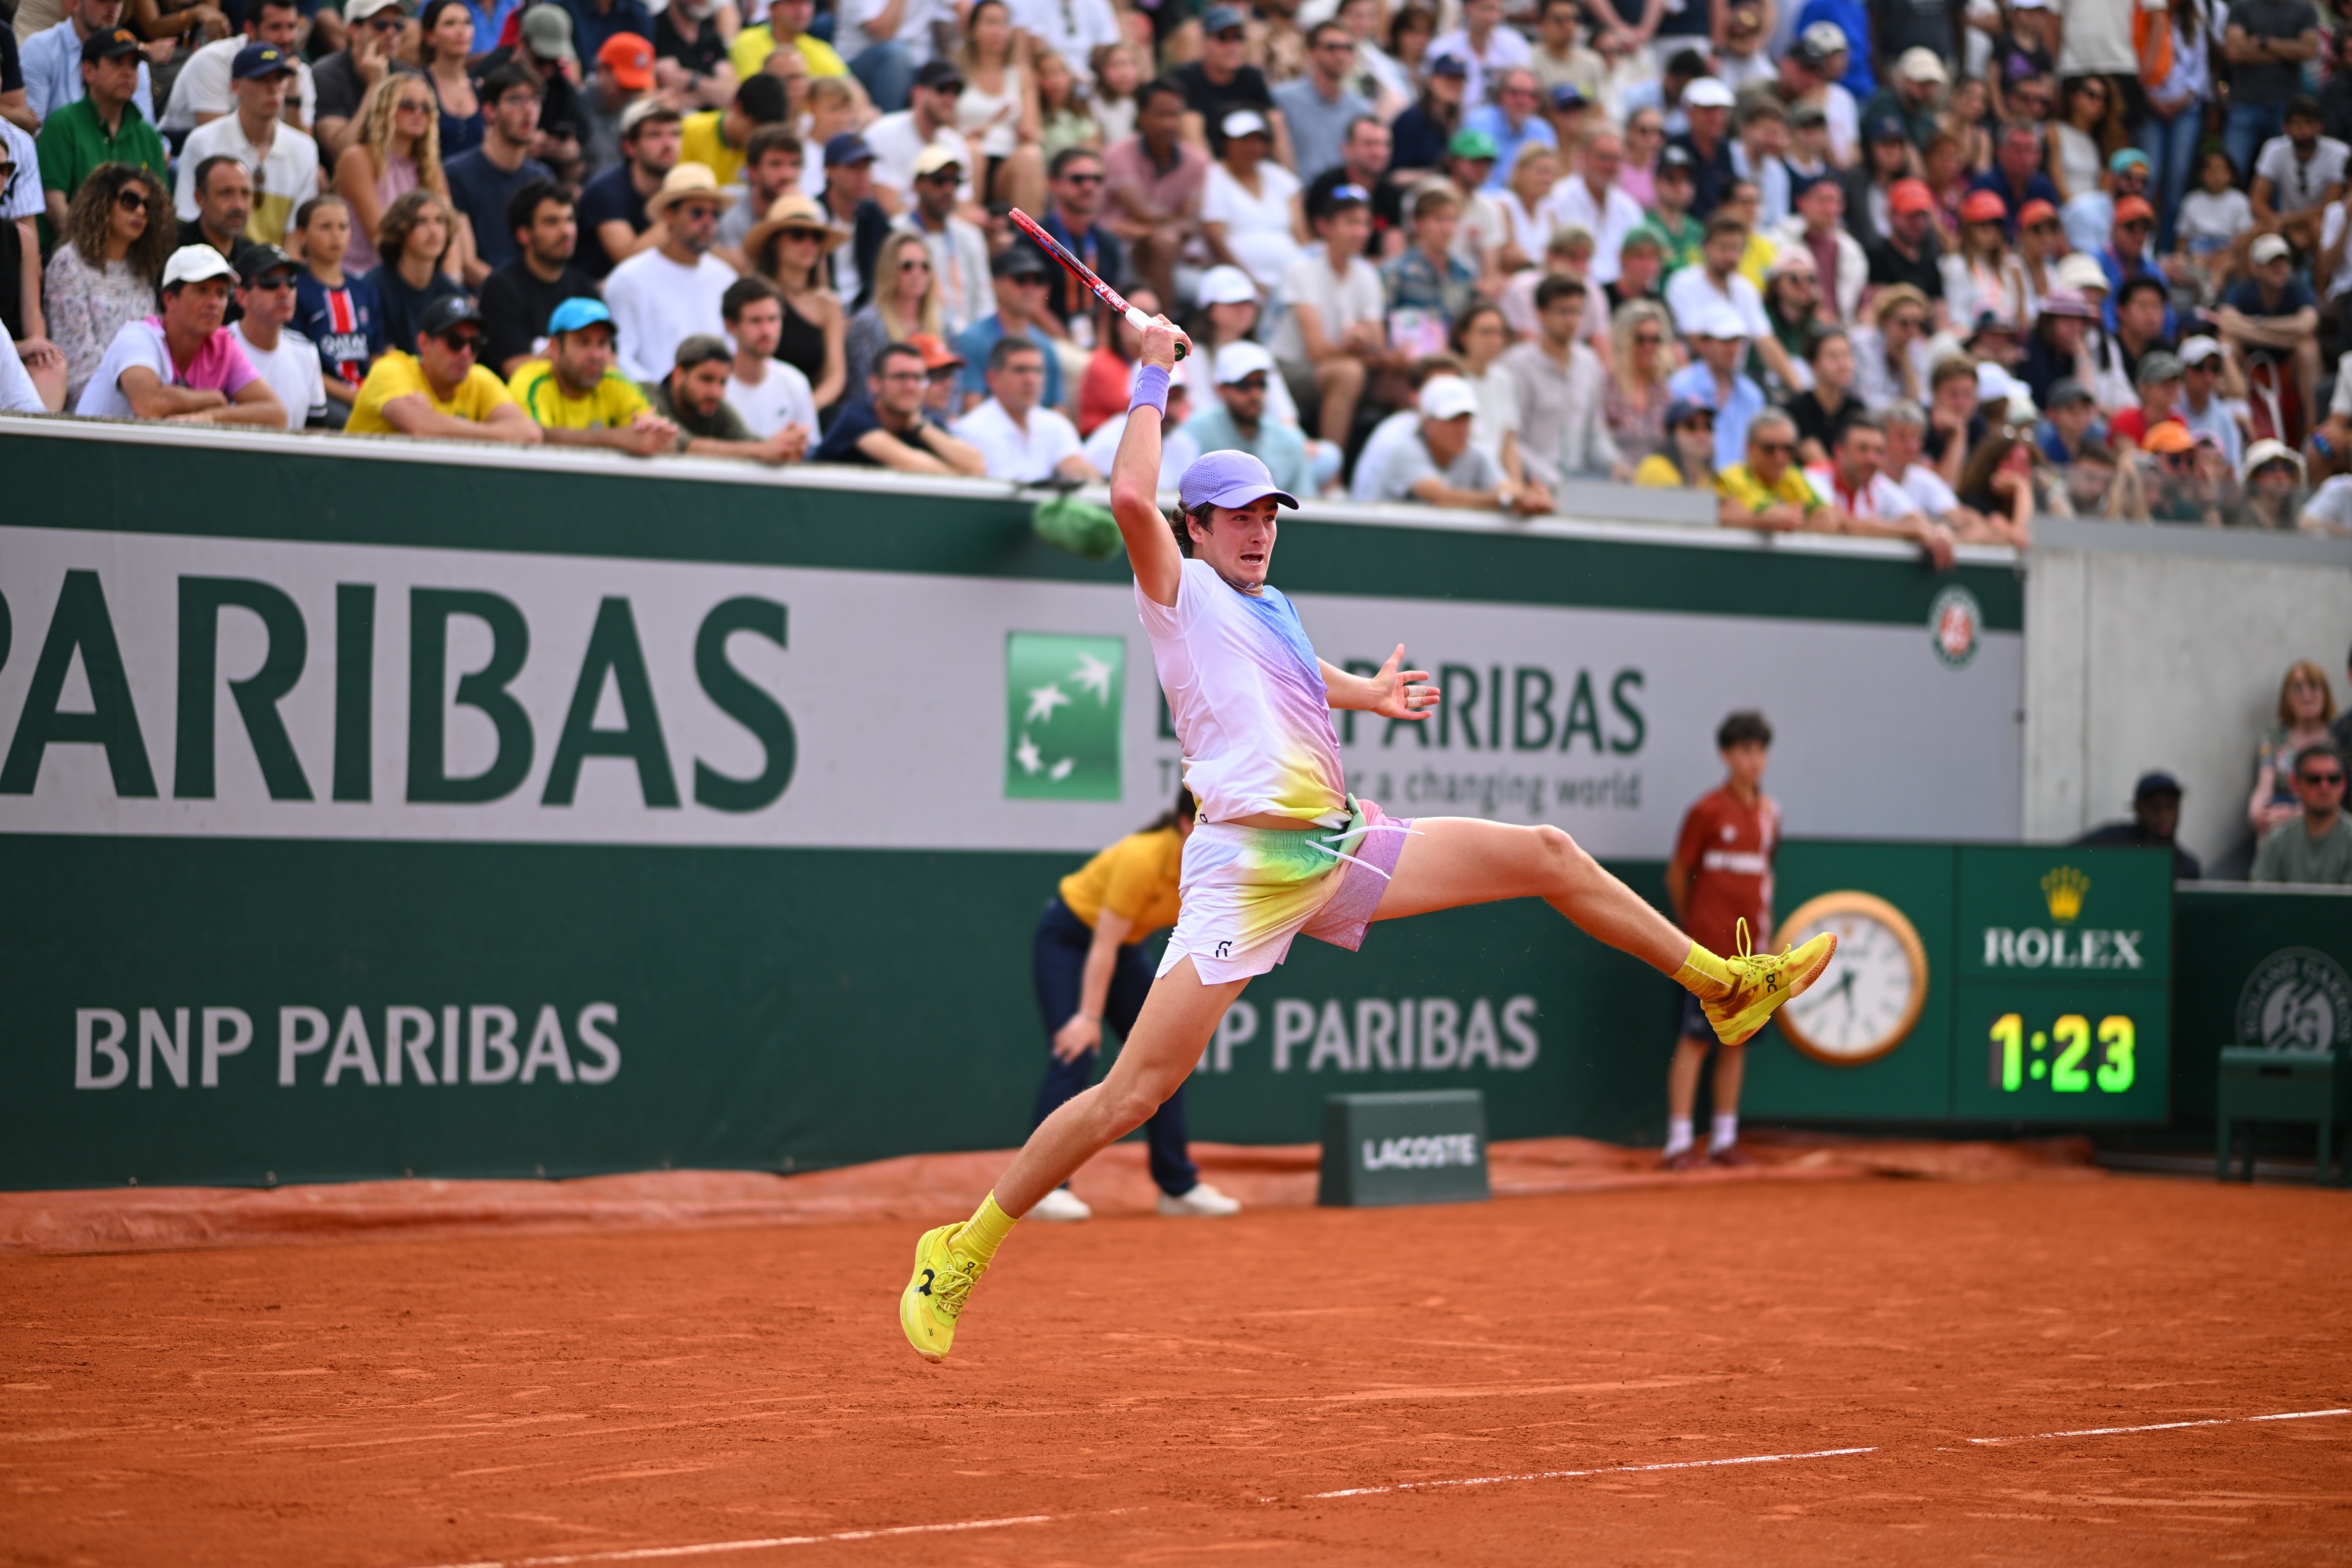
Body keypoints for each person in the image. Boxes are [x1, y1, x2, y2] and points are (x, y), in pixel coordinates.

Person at [895, 312, 1836, 1363]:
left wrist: (1369, 696)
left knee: (1549, 853)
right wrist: (1152, 374)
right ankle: (961, 1246)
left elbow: (1295, 678)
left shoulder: (1273, 603)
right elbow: (1126, 495)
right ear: (1196, 530)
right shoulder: (1178, 592)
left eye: (1268, 516)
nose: (1257, 531)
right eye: (1235, 518)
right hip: (1244, 867)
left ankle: (1722, 982)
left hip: (1333, 846)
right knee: (1133, 1093)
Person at [1660, 710, 1781, 1169]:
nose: (1754, 760)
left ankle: (1724, 1139)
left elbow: (1765, 878)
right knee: (1696, 1040)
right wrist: (1694, 927)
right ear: (1726, 755)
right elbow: (1676, 874)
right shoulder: (1706, 811)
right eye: (1744, 750)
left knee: (1738, 1040)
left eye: (1760, 750)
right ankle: (1677, 1143)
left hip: (1753, 953)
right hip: (1706, 950)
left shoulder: (1770, 816)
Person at [71, 242, 287, 426]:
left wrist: (211, 416)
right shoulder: (136, 336)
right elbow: (149, 405)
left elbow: (277, 415)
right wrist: (211, 398)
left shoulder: (223, 344)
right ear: (169, 299)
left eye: (221, 293)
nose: (214, 303)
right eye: (202, 290)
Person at [43, 162, 171, 406]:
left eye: (148, 205)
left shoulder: (141, 269)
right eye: (130, 200)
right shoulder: (69, 263)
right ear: (102, 202)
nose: (141, 211)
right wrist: (136, 394)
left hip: (143, 396)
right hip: (92, 400)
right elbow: (78, 358)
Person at [1272, 180, 1385, 449]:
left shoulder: (1367, 274)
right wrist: (1356, 344)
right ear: (1325, 226)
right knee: (1349, 372)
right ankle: (1330, 473)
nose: (1360, 231)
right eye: (1350, 222)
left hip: (1334, 361)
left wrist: (1362, 344)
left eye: (1365, 223)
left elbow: (1378, 347)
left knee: (1404, 376)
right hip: (1288, 367)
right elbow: (1316, 350)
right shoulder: (1302, 268)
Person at [171, 43, 319, 249]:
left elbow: (293, 239)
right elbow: (188, 221)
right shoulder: (202, 141)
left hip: (273, 276)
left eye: (280, 78)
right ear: (235, 87)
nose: (273, 87)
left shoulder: (305, 149)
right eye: (261, 78)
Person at [346, 292, 541, 441]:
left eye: (475, 344)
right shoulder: (391, 369)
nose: (466, 353)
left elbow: (530, 432)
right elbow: (420, 428)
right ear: (424, 343)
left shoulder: (478, 378)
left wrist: (435, 420)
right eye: (454, 342)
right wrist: (498, 432)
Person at [35, 27, 169, 243]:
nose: (128, 72)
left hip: (134, 262)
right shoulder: (62, 125)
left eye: (134, 65)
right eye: (117, 62)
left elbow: (160, 211)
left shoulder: (148, 136)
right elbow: (54, 205)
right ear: (89, 71)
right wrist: (93, 254)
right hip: (73, 258)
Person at [603, 162, 734, 382]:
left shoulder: (726, 278)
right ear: (669, 215)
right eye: (697, 212)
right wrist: (664, 397)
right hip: (651, 407)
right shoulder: (628, 279)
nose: (708, 222)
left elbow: (733, 352)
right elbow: (620, 358)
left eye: (715, 215)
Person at [505, 294, 676, 454]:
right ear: (555, 348)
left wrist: (656, 435)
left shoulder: (614, 380)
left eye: (602, 343)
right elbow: (533, 435)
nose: (596, 355)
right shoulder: (531, 380)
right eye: (583, 342)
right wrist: (619, 438)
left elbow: (667, 443)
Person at [1365, 372, 1552, 512]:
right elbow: (1441, 498)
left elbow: (1505, 488)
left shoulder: (1475, 453)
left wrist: (1528, 497)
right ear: (1428, 424)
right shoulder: (1404, 448)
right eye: (1453, 419)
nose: (1462, 428)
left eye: (1467, 418)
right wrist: (1508, 500)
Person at [1100, 78, 1209, 310]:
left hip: (1174, 257)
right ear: (1141, 117)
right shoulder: (1117, 153)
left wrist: (1155, 230)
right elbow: (1142, 210)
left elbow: (1189, 224)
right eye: (1161, 115)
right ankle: (1167, 328)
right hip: (1117, 251)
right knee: (1163, 241)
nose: (1170, 124)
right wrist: (1166, 228)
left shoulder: (1196, 161)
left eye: (1176, 115)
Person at [1503, 274, 1618, 485]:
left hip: (1582, 481)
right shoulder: (1516, 365)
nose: (1571, 320)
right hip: (1533, 484)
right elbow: (1511, 439)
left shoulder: (1590, 363)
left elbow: (1595, 431)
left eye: (1577, 312)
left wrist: (1615, 463)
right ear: (1541, 314)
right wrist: (1548, 477)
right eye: (1563, 312)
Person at [333, 74, 452, 278]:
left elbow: (449, 229)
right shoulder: (358, 157)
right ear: (384, 109)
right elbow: (382, 236)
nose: (418, 113)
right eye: (407, 105)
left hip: (414, 275)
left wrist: (452, 280)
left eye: (426, 108)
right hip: (361, 274)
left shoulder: (430, 167)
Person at [441, 66, 553, 283]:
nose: (528, 110)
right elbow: (468, 263)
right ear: (490, 111)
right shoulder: (456, 174)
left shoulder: (542, 179)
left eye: (534, 100)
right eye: (515, 100)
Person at [477, 178, 597, 377]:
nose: (566, 231)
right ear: (524, 234)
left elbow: (610, 361)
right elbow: (517, 370)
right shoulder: (501, 289)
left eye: (569, 220)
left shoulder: (585, 288)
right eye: (552, 222)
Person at [812, 339, 989, 473]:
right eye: (900, 377)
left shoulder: (923, 422)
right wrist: (960, 475)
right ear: (875, 383)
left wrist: (920, 427)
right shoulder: (856, 415)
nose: (910, 387)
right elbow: (909, 463)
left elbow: (977, 466)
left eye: (918, 378)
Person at [638, 332, 809, 463]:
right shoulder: (647, 394)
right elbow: (682, 445)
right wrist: (762, 450)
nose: (716, 392)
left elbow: (750, 441)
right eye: (706, 379)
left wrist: (786, 446)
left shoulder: (715, 408)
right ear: (678, 375)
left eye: (723, 382)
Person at [1179, 339, 1314, 500]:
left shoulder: (1289, 441)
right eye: (1244, 385)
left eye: (1261, 384)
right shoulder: (1193, 433)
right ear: (1221, 390)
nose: (1255, 394)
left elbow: (1305, 504)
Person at [289, 195, 383, 427]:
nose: (336, 235)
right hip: (323, 396)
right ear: (302, 235)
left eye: (343, 227)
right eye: (325, 227)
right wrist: (357, 398)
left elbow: (379, 352)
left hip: (365, 392)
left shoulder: (365, 289)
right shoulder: (294, 290)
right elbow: (301, 366)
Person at [952, 334, 1095, 482]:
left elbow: (1084, 475)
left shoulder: (1057, 424)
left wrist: (1077, 474)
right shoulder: (969, 430)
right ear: (993, 379)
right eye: (1020, 370)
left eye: (1038, 371)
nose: (1030, 379)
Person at [2217, 233, 2320, 434]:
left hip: (2288, 362)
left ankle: (2312, 426)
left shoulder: (2298, 288)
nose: (2281, 268)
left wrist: (2255, 323)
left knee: (2309, 347)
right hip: (2250, 359)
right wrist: (2275, 338)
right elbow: (2226, 323)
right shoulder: (2241, 289)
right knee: (2226, 342)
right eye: (2273, 263)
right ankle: (2242, 423)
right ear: (2256, 268)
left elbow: (2307, 324)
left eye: (2284, 262)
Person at [953, 245, 1068, 415]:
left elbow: (1058, 410)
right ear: (996, 285)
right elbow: (971, 406)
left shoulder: (1046, 346)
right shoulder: (972, 339)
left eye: (1038, 281)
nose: (1030, 288)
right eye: (1020, 279)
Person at [1200, 108, 1303, 296]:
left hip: (1291, 280)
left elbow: (1302, 236)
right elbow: (1215, 239)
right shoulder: (1213, 177)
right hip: (1238, 283)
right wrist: (1250, 281)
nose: (1251, 147)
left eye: (1258, 140)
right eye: (1243, 140)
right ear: (1226, 142)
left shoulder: (1281, 177)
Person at [574, 99, 679, 278]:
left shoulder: (677, 186)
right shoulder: (605, 190)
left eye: (675, 134)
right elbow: (627, 259)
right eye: (655, 135)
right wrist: (679, 215)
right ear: (629, 147)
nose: (669, 143)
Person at [895, 143, 993, 336]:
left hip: (969, 338)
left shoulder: (970, 235)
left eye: (954, 181)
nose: (948, 189)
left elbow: (984, 301)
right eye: (939, 180)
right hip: (920, 336)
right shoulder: (897, 232)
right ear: (917, 184)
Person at [2223, 0, 2323, 188]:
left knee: (2283, 176)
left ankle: (2277, 218)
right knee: (2231, 171)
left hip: (2286, 105)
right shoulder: (2241, 7)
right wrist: (2287, 52)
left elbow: (2308, 50)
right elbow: (2235, 51)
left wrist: (2263, 42)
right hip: (2244, 103)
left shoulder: (2304, 9)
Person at [312, 0, 421, 165]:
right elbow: (341, 151)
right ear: (353, 31)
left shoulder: (410, 77)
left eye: (398, 26)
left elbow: (423, 150)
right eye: (381, 25)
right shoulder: (326, 73)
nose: (391, 33)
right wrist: (375, 86)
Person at [227, 242, 325, 428]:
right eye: (269, 282)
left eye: (291, 281)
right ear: (241, 296)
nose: (284, 291)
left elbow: (316, 433)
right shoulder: (217, 347)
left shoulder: (306, 351)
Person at [21, 0, 158, 129]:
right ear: (74, 3)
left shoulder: (133, 61)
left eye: (118, 0)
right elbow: (33, 130)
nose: (112, 6)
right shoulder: (39, 49)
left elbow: (146, 129)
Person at [719, 274, 819, 442]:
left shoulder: (795, 382)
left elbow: (810, 450)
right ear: (731, 325)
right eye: (755, 321)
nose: (767, 331)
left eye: (773, 319)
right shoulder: (714, 385)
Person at [1667, 304, 1768, 470]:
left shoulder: (1752, 395)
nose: (1733, 349)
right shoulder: (1680, 387)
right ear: (1704, 344)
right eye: (1725, 341)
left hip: (1738, 489)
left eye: (1738, 341)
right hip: (1694, 485)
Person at [363, 188, 463, 354]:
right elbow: (381, 357)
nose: (433, 231)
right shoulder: (374, 287)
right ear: (399, 230)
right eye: (421, 222)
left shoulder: (452, 293)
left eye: (439, 221)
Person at [1272, 21, 1370, 186]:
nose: (1340, 55)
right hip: (1297, 197)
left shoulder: (1361, 109)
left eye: (1347, 48)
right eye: (1332, 47)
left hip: (1343, 202)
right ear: (1312, 52)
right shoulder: (1283, 99)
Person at [2250, 660, 2339, 840]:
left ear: (2325, 694)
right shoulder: (2273, 740)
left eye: (2314, 687)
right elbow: (2264, 786)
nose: (2306, 696)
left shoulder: (2340, 736)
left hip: (2328, 816)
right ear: (2286, 698)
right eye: (2298, 689)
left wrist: (2295, 816)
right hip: (2282, 818)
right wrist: (2258, 813)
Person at [2251, 742, 2352, 884]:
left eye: (2333, 779)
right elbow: (2259, 895)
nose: (2324, 787)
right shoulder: (2277, 839)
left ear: (2344, 784)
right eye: (2314, 779)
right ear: (2294, 783)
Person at [2073, 771, 2201, 879]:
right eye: (2154, 808)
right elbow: (2066, 856)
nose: (2163, 816)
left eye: (2170, 807)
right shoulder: (2113, 840)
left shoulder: (2187, 866)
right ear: (2138, 808)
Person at [1634, 396, 1719, 487]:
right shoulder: (1656, 469)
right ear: (1672, 433)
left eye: (1708, 426)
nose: (1701, 435)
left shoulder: (1709, 476)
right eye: (1691, 426)